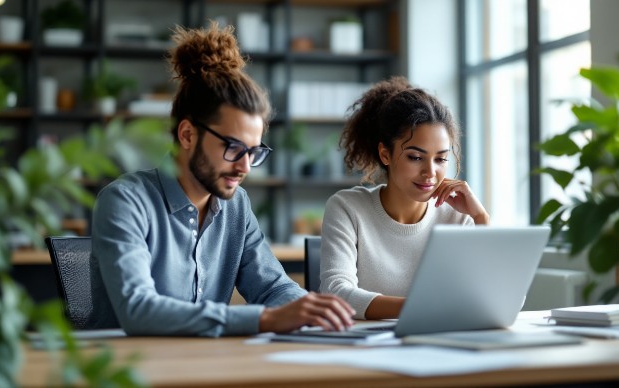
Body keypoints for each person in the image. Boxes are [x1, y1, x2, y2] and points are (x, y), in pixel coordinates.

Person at [88, 22, 354, 336]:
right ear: (187, 135)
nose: (245, 167)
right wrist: (264, 320)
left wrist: (306, 309)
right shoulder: (125, 201)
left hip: (207, 365)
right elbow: (139, 309)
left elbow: (273, 288)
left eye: (253, 151)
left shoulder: (236, 205)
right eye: (233, 147)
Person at [320, 77, 490, 320]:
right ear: (385, 154)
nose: (430, 172)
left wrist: (481, 218)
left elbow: (497, 299)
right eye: (415, 157)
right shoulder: (348, 208)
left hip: (442, 349)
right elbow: (337, 294)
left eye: (440, 159)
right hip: (367, 351)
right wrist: (422, 308)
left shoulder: (457, 217)